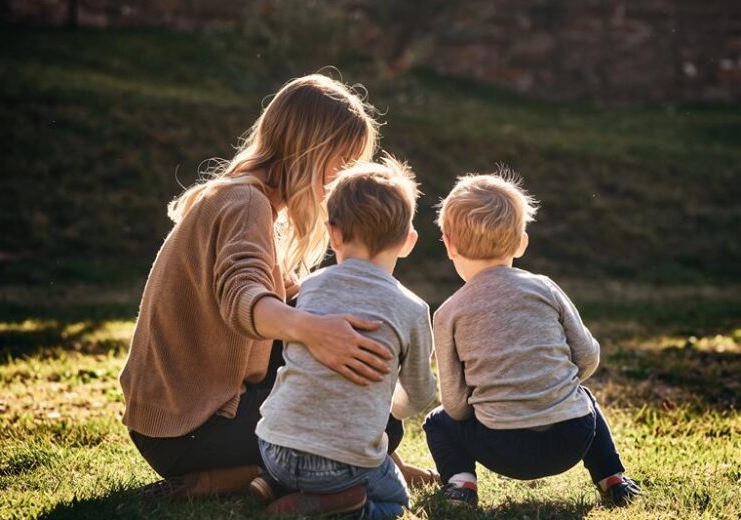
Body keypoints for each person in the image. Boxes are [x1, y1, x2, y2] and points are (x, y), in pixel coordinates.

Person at [119, 74, 409, 499]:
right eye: (343, 162)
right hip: (192, 427)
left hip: (173, 423)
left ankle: (281, 471)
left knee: (358, 399)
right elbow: (244, 299)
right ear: (309, 149)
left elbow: (289, 297)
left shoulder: (241, 199)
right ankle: (248, 477)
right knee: (381, 420)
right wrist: (316, 332)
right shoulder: (246, 203)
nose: (343, 181)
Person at [423, 170, 641, 507]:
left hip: (501, 447)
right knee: (583, 398)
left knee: (437, 422)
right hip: (572, 438)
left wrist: (495, 402)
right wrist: (552, 388)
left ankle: (461, 484)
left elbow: (453, 403)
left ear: (448, 244)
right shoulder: (545, 288)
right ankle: (612, 477)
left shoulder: (448, 313)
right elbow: (587, 357)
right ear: (522, 241)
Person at [250, 157, 437, 518]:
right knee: (395, 503)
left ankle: (275, 482)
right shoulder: (412, 308)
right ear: (409, 240)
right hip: (341, 463)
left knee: (300, 446)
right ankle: (336, 506)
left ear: (333, 233)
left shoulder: (310, 287)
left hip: (272, 446)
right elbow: (418, 394)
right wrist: (392, 406)